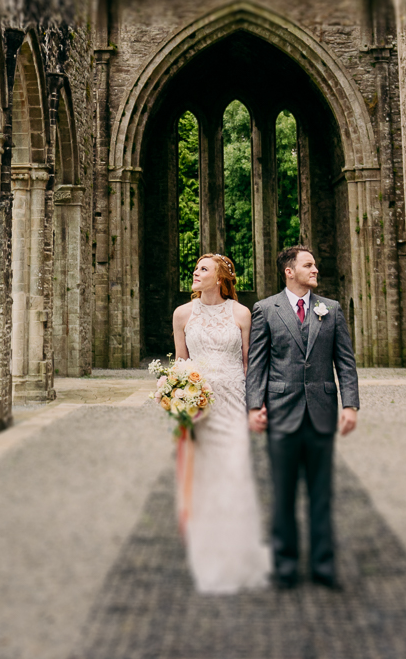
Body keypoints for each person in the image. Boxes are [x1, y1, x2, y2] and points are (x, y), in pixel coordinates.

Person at [245, 244, 359, 589]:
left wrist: (350, 405)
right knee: (283, 495)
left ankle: (324, 567)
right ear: (289, 271)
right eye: (308, 265)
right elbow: (258, 365)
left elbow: (346, 362)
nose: (316, 270)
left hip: (322, 413)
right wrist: (254, 407)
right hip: (282, 414)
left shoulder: (332, 310)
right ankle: (285, 568)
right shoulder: (266, 309)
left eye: (315, 266)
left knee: (321, 495)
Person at [171, 253, 271, 594]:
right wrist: (177, 399)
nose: (196, 273)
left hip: (232, 404)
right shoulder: (182, 314)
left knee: (234, 476)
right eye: (196, 267)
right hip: (200, 408)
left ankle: (239, 556)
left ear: (220, 277)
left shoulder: (241, 313)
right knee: (204, 482)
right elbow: (181, 365)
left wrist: (256, 406)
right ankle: (208, 558)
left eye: (203, 269)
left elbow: (250, 364)